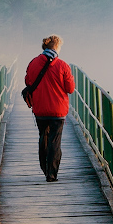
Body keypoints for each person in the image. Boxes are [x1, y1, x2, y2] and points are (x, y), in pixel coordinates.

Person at [24, 34, 75, 181]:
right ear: (57, 47)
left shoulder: (33, 63)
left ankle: (44, 167)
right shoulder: (63, 65)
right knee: (55, 141)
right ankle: (51, 173)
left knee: (43, 137)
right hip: (58, 110)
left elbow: (28, 81)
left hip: (39, 108)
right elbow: (70, 88)